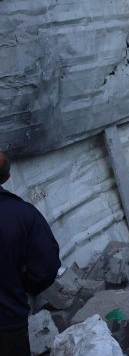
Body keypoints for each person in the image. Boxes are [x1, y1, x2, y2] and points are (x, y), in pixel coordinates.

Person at [0, 152, 60, 356]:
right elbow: (47, 267)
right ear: (7, 178)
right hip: (8, 325)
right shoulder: (23, 214)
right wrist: (24, 280)